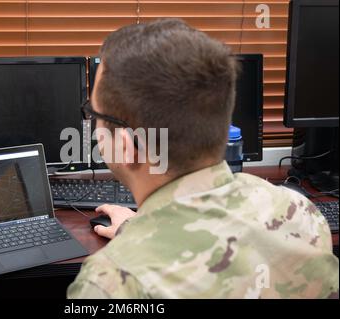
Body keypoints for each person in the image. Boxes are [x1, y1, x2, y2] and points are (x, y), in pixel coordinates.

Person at [67, 18, 339, 298]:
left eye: (92, 113)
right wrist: (133, 230)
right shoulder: (301, 215)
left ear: (127, 146)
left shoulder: (111, 283)